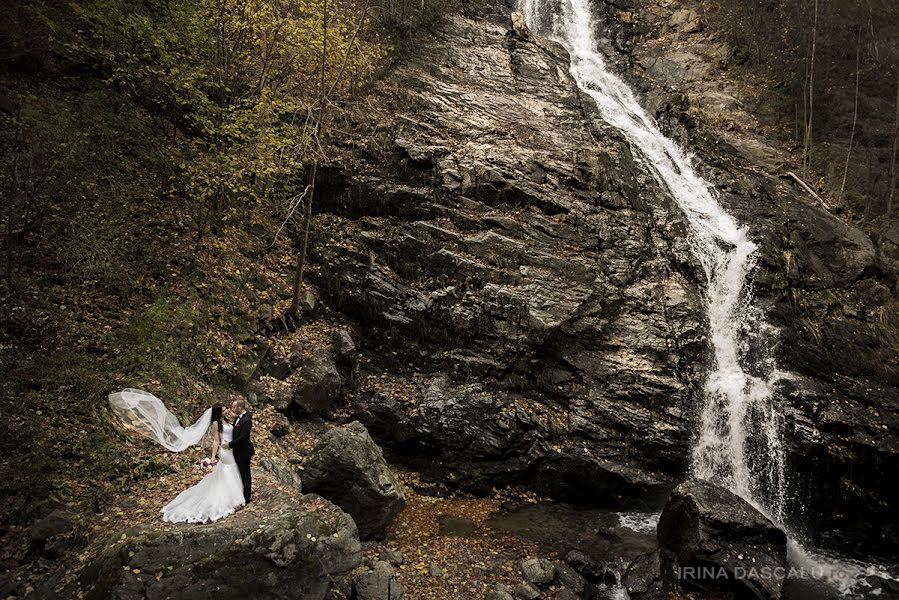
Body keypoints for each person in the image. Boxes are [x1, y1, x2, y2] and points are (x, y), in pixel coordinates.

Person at [107, 389, 246, 523]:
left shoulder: (227, 421)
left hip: (231, 449)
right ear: (217, 413)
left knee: (230, 470)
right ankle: (230, 499)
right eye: (223, 409)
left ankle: (234, 496)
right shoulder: (216, 424)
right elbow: (216, 440)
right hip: (225, 451)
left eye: (225, 409)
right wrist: (213, 457)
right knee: (228, 470)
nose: (226, 410)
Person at [221, 399, 254, 504]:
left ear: (240, 408)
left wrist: (230, 444)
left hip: (244, 451)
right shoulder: (237, 419)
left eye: (234, 407)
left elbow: (243, 436)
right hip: (236, 451)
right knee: (238, 472)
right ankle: (239, 493)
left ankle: (247, 496)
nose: (232, 409)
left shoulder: (247, 419)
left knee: (245, 473)